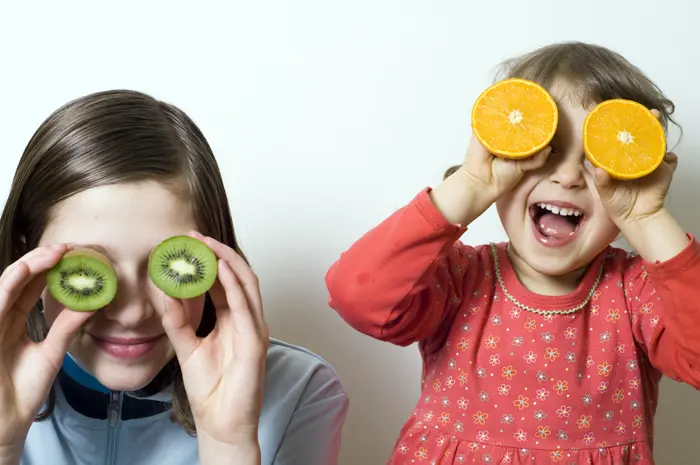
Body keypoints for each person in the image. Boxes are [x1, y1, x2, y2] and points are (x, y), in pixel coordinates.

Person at [325, 41, 700, 464]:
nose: (568, 177)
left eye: (601, 162)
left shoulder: (637, 293)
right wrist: (470, 184)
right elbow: (356, 297)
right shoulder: (460, 277)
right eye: (546, 150)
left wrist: (647, 218)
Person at [0, 89, 348, 465]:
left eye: (161, 268)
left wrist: (228, 445)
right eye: (90, 267)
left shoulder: (301, 392)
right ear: (26, 258)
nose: (131, 314)